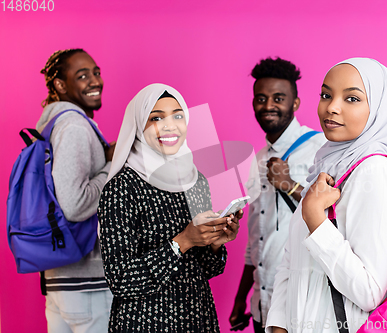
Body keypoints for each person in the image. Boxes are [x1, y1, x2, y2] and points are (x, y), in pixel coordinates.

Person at [266, 58, 387, 333]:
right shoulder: (326, 166)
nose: (332, 107)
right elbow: (291, 261)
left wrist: (315, 218)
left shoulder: (374, 171)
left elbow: (369, 291)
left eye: (352, 98)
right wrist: (279, 327)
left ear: (378, 109)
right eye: (326, 95)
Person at [98, 83, 241, 332]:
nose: (170, 125)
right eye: (156, 117)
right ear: (139, 125)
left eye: (178, 115)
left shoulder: (197, 181)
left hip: (196, 316)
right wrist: (181, 242)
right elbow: (120, 280)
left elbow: (207, 269)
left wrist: (216, 242)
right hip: (144, 322)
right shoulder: (122, 187)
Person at [230, 57, 326, 332]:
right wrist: (242, 298)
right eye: (261, 98)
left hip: (303, 304)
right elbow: (256, 239)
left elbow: (335, 217)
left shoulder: (320, 147)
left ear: (295, 103)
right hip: (263, 305)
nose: (268, 105)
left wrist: (290, 185)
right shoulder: (257, 159)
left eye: (278, 98)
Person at [37, 48, 116, 332]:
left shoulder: (54, 125)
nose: (95, 81)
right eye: (82, 76)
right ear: (60, 85)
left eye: (96, 72)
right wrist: (111, 165)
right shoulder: (74, 126)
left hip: (62, 280)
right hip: (87, 286)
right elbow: (74, 204)